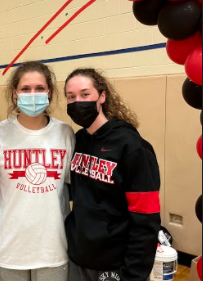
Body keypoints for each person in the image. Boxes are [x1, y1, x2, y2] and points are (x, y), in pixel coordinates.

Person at [64, 68, 161, 281]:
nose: (77, 101)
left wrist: (133, 274)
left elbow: (146, 217)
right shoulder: (78, 140)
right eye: (71, 97)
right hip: (78, 259)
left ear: (102, 96)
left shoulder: (132, 146)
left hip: (115, 264)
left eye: (85, 94)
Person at [0, 61, 75, 281]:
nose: (32, 94)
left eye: (39, 88)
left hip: (53, 249)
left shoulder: (64, 133)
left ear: (49, 92)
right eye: (25, 89)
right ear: (15, 93)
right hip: (8, 249)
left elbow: (70, 187)